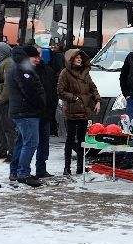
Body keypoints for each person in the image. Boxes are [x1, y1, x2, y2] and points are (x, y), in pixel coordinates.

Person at [6, 44, 46, 187]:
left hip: (22, 111)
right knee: (31, 143)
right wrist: (40, 105)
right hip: (26, 112)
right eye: (35, 57)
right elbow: (29, 91)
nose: (37, 59)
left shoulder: (18, 67)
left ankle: (16, 171)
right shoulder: (22, 69)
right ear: (27, 57)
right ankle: (23, 173)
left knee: (21, 142)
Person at [56, 47, 100, 177]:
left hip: (84, 110)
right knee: (70, 139)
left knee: (82, 139)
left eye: (80, 57)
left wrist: (98, 100)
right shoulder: (65, 73)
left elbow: (93, 88)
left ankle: (80, 166)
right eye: (76, 57)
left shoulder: (85, 73)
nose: (79, 59)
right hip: (71, 111)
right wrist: (74, 98)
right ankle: (67, 167)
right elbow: (60, 91)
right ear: (71, 60)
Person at [33, 48, 59, 178]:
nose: (37, 57)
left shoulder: (48, 70)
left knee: (44, 142)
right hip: (32, 113)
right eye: (35, 54)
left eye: (39, 54)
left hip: (46, 112)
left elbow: (53, 91)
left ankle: (41, 169)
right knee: (28, 143)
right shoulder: (27, 71)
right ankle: (21, 171)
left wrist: (52, 107)